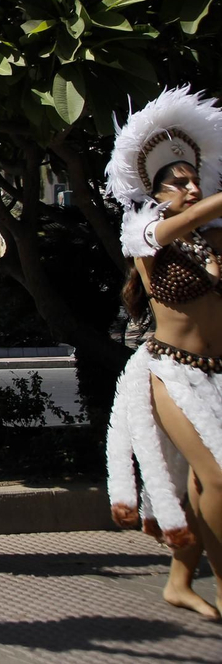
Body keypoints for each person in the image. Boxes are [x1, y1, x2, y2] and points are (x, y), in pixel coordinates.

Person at [104, 86, 222, 618]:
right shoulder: (145, 233)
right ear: (155, 191)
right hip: (172, 373)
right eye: (179, 182)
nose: (191, 188)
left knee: (202, 482)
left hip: (218, 373)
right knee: (216, 478)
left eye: (195, 179)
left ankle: (179, 581)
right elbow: (172, 228)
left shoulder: (212, 238)